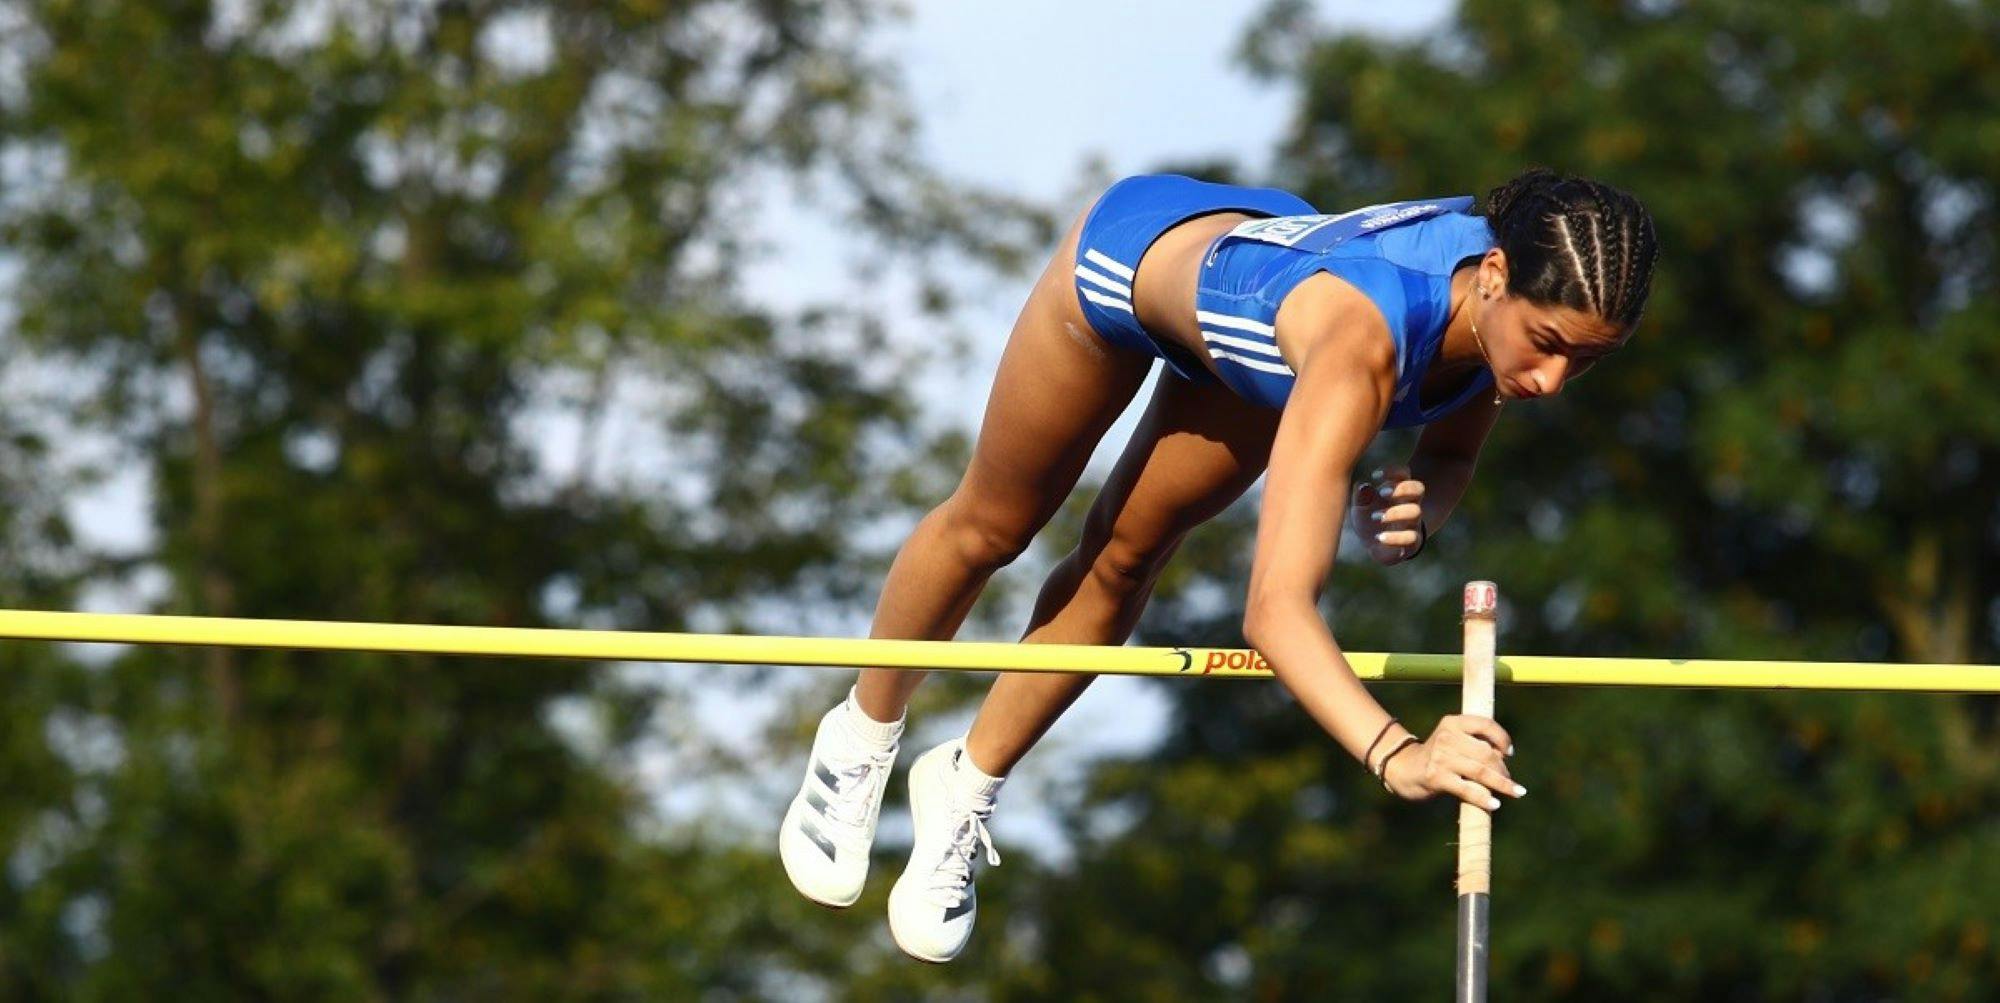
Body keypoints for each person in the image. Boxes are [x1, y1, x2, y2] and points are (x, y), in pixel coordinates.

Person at [778, 168, 1659, 962]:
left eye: (1587, 359)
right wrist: (1398, 755)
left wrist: (1427, 497)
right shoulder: (1362, 349)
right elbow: (1275, 610)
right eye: (1547, 343)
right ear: (1496, 277)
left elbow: (1453, 449)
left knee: (1125, 561)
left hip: (1256, 330)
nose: (1552, 379)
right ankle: (860, 737)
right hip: (1133, 266)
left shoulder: (1503, 309)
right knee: (994, 525)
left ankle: (964, 782)